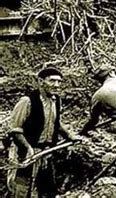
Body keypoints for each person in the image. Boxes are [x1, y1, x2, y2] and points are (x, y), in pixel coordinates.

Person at [7, 66, 79, 197]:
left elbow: (55, 122)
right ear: (40, 82)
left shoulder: (55, 100)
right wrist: (28, 148)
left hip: (46, 151)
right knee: (21, 189)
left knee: (47, 188)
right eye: (52, 81)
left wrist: (70, 135)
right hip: (26, 153)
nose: (57, 85)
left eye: (59, 81)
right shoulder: (27, 101)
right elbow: (15, 130)